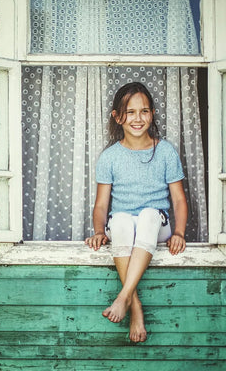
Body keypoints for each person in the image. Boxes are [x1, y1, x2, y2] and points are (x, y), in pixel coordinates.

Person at [85, 82, 187, 343]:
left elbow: (177, 199)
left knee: (149, 215)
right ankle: (134, 305)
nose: (138, 118)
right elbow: (101, 205)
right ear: (117, 117)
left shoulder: (165, 151)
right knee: (118, 219)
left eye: (144, 111)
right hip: (123, 226)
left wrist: (178, 231)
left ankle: (123, 296)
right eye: (130, 112)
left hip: (157, 223)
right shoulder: (109, 157)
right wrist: (99, 230)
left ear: (152, 114)